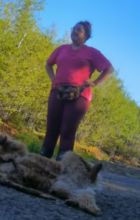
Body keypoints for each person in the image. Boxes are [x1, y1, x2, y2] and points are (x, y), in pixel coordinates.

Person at [40, 21, 114, 161]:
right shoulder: (61, 49)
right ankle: (42, 161)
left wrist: (95, 82)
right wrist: (53, 78)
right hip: (58, 91)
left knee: (67, 130)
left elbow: (109, 69)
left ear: (86, 35)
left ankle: (62, 166)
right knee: (51, 129)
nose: (74, 31)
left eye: (79, 30)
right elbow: (49, 64)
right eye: (73, 29)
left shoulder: (92, 52)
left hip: (79, 95)